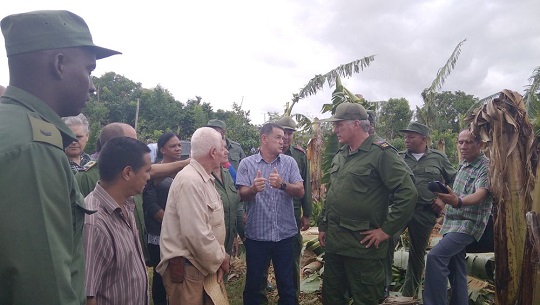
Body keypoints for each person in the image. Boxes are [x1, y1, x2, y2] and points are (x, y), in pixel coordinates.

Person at [0, 10, 120, 305]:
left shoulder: (10, 125)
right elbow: (41, 286)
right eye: (89, 70)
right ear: (59, 64)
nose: (92, 86)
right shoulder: (34, 146)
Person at [317, 102, 417, 305]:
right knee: (332, 297)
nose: (335, 129)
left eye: (339, 124)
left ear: (355, 124)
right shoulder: (342, 154)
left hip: (363, 246)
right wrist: (323, 225)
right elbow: (334, 193)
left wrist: (386, 230)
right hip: (336, 243)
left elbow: (408, 192)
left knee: (366, 299)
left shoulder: (381, 153)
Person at [157, 127, 230, 305]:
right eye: (222, 147)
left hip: (200, 266)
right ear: (213, 152)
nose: (225, 152)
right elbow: (196, 234)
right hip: (188, 271)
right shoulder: (190, 181)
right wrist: (221, 257)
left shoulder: (202, 178)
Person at [237, 122, 305, 305]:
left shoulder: (289, 162)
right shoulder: (247, 164)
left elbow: (300, 190)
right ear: (264, 138)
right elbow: (241, 194)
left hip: (285, 235)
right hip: (257, 236)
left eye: (284, 138)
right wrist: (253, 189)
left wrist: (283, 185)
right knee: (254, 285)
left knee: (287, 285)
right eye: (278, 137)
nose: (282, 141)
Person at [423, 129, 492, 305]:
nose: (463, 146)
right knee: (456, 267)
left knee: (435, 257)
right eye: (460, 142)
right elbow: (457, 193)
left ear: (480, 144)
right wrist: (445, 199)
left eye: (468, 142)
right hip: (452, 222)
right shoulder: (463, 164)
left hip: (468, 224)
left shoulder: (485, 166)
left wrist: (458, 202)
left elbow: (481, 193)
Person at [84, 137, 150, 305]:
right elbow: (86, 295)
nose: (149, 177)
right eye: (147, 171)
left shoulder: (126, 205)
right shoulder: (94, 222)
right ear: (127, 173)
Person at [398, 122, 457, 298]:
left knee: (417, 254)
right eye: (406, 136)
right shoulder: (398, 157)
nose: (406, 139)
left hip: (425, 212)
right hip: (400, 210)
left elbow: (455, 180)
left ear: (423, 139)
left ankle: (409, 295)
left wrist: (443, 200)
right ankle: (382, 290)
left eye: (411, 136)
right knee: (385, 245)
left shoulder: (438, 158)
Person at [143, 132, 183, 305]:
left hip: (182, 232)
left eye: (179, 145)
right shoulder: (154, 171)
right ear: (162, 150)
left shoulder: (184, 170)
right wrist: (172, 224)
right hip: (160, 233)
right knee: (160, 275)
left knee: (179, 272)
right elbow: (151, 206)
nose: (178, 148)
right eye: (173, 146)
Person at [275, 116, 312, 300]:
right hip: (268, 214)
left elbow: (307, 186)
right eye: (284, 132)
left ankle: (292, 295)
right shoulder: (266, 152)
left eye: (290, 133)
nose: (287, 137)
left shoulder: (299, 155)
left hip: (292, 212)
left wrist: (307, 213)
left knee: (292, 257)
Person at [212, 139, 245, 261]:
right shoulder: (201, 177)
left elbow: (232, 207)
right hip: (211, 243)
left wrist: (233, 235)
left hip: (226, 238)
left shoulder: (226, 173)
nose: (227, 152)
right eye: (223, 149)